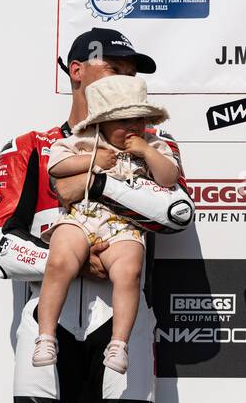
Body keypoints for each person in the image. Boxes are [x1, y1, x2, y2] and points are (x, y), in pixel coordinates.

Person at [0, 28, 195, 403]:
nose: (126, 77)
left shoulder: (155, 144)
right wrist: (76, 262)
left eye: (131, 72)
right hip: (45, 325)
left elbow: (178, 214)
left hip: (123, 325)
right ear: (76, 72)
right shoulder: (32, 147)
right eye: (114, 68)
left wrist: (101, 182)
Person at [38, 75, 180, 375]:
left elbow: (169, 179)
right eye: (121, 120)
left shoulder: (155, 144)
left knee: (130, 271)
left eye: (138, 119)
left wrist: (147, 152)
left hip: (124, 225)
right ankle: (46, 335)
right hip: (82, 217)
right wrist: (92, 160)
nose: (132, 127)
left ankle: (118, 344)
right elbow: (55, 166)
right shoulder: (81, 140)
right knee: (60, 259)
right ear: (100, 122)